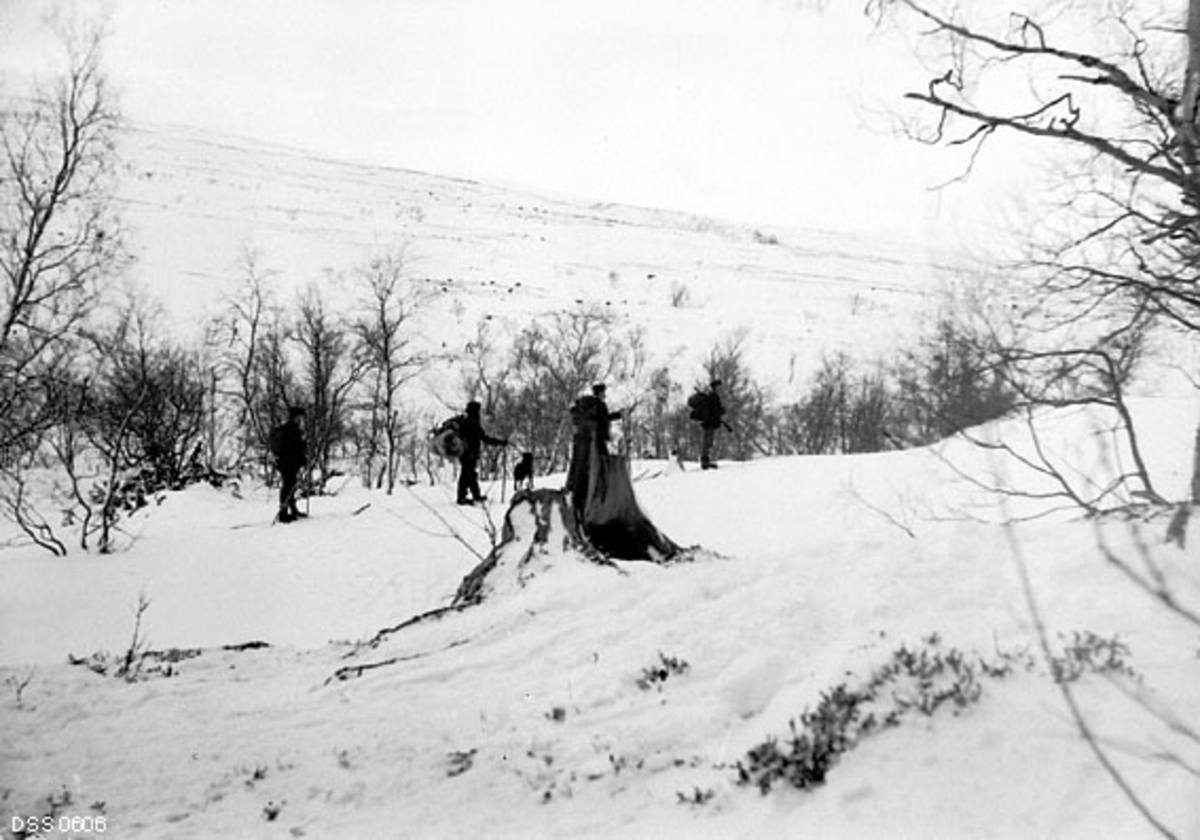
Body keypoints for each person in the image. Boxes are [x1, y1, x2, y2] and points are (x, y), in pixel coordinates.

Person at [566, 383, 622, 514]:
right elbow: (604, 419)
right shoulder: (599, 405)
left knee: (580, 469)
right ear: (600, 392)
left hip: (581, 444)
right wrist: (618, 415)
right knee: (600, 469)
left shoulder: (584, 406)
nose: (605, 395)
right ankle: (599, 497)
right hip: (596, 443)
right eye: (603, 392)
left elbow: (574, 415)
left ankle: (576, 495)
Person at [456, 400, 509, 505]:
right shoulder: (473, 424)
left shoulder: (465, 422)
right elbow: (484, 438)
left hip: (463, 453)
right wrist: (500, 443)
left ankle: (471, 495)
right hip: (470, 454)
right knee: (469, 475)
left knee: (467, 475)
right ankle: (464, 497)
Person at [269, 406, 308, 523]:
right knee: (288, 486)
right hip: (288, 462)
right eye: (300, 416)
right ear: (296, 417)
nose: (301, 419)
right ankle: (283, 513)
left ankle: (292, 510)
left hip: (286, 462)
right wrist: (302, 453)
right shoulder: (291, 430)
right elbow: (293, 448)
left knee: (291, 485)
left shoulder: (290, 428)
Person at [690, 379, 726, 470]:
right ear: (715, 387)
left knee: (708, 441)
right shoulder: (713, 396)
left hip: (709, 422)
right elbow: (715, 410)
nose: (721, 388)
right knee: (707, 442)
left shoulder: (712, 396)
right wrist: (722, 411)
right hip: (710, 423)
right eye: (719, 386)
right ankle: (705, 461)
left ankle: (706, 460)